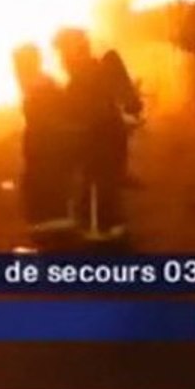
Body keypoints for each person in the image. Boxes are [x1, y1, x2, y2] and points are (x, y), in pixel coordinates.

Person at [53, 28, 140, 242]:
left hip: (100, 137)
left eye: (63, 52)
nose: (61, 60)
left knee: (97, 185)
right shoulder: (95, 71)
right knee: (103, 184)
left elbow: (83, 113)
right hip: (106, 135)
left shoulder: (86, 76)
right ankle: (109, 230)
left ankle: (102, 233)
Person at [12, 44, 79, 248]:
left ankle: (55, 243)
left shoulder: (41, 88)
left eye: (18, 64)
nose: (15, 70)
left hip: (47, 155)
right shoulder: (40, 85)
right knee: (48, 201)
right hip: (46, 155)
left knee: (48, 202)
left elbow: (51, 122)